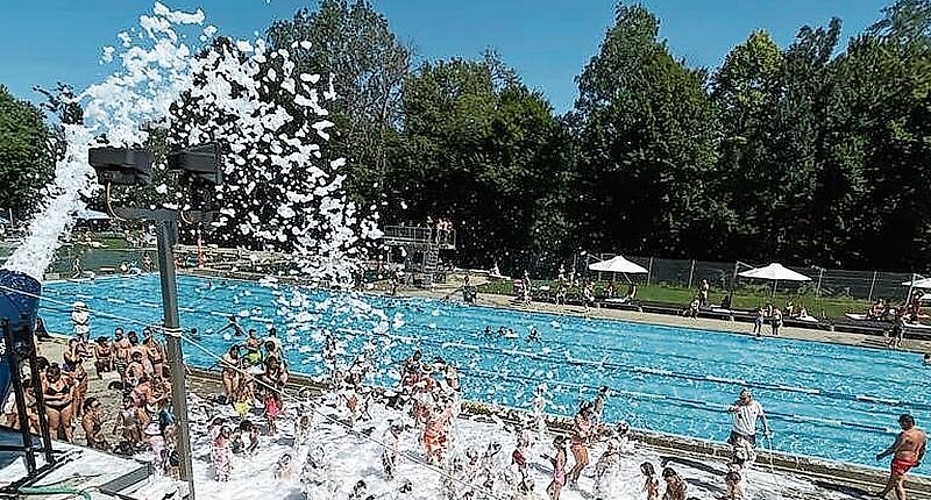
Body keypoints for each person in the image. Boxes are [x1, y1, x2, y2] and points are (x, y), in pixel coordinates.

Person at [876, 414, 926, 500]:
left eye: (901, 423)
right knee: (894, 478)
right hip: (912, 460)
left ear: (906, 423)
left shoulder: (905, 435)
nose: (901, 425)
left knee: (898, 483)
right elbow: (923, 449)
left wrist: (882, 455)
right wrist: (919, 460)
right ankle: (883, 493)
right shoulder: (922, 434)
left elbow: (894, 448)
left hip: (901, 461)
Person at [568, 402, 594, 487]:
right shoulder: (578, 418)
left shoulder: (588, 420)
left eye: (591, 413)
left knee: (585, 462)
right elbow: (580, 431)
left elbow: (588, 431)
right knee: (580, 463)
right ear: (584, 411)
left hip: (582, 443)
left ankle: (569, 475)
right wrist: (588, 433)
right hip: (576, 443)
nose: (590, 415)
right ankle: (573, 479)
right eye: (589, 412)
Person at [543, 435, 567, 500]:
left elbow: (558, 465)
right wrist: (549, 458)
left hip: (559, 476)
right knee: (551, 492)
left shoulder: (560, 454)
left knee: (554, 496)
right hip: (559, 475)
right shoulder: (561, 453)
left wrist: (549, 459)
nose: (555, 446)